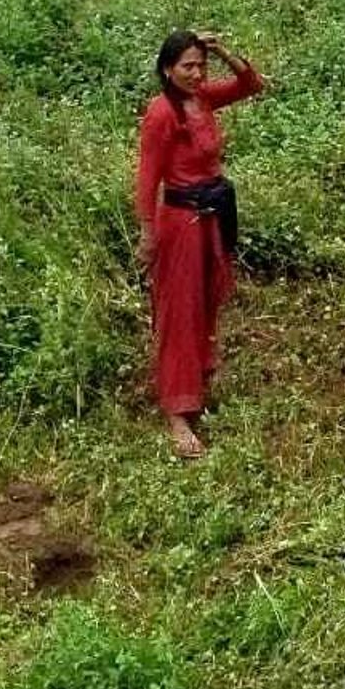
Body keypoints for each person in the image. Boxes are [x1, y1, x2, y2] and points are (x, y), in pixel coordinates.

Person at [135, 31, 264, 459]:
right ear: (167, 70)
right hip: (181, 222)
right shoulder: (161, 114)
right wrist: (147, 234)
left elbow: (251, 85)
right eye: (186, 66)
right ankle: (177, 411)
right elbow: (147, 178)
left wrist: (223, 49)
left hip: (212, 216)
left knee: (208, 301)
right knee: (180, 310)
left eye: (199, 65)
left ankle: (199, 380)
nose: (195, 73)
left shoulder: (204, 98)